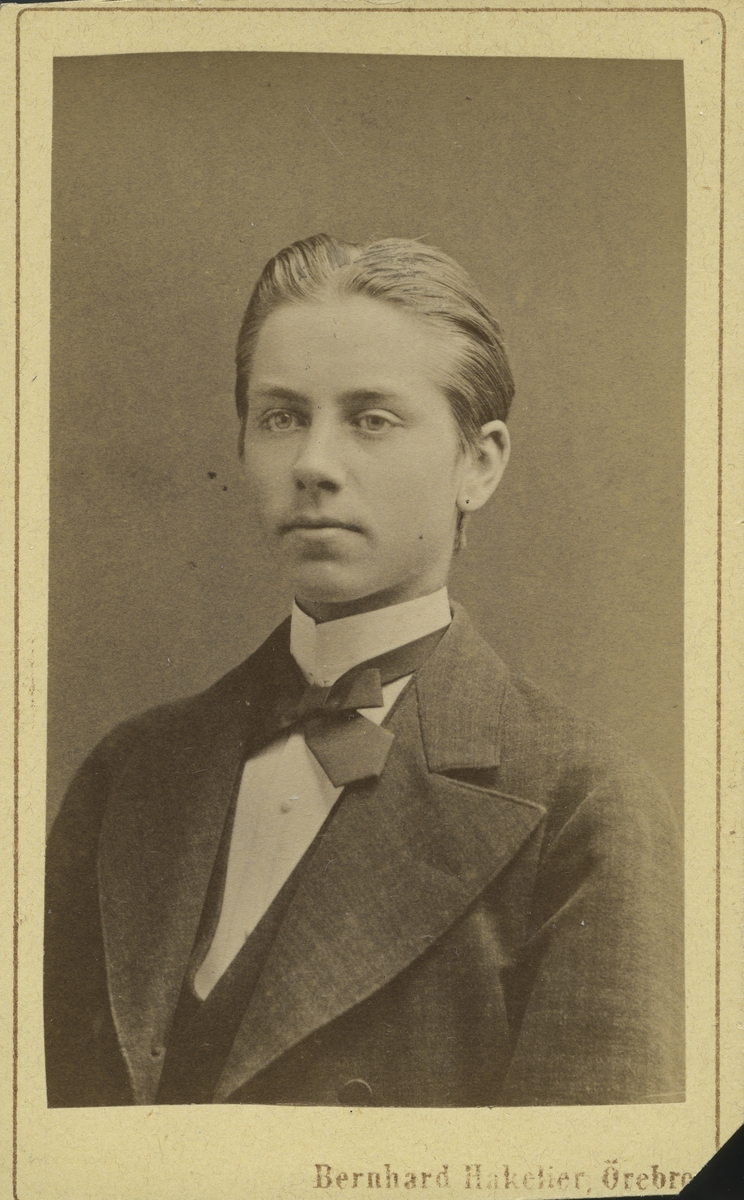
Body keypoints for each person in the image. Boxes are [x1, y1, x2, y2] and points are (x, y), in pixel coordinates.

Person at [44, 233, 684, 1109]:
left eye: (371, 419)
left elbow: (592, 1162)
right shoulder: (128, 776)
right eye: (281, 417)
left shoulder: (583, 806)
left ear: (479, 463)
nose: (312, 464)